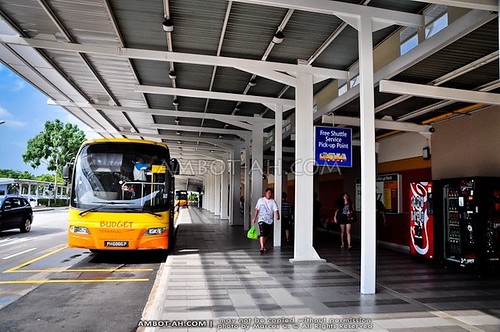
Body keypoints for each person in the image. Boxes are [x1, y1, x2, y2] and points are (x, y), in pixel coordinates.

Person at [253, 188, 280, 254]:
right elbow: (257, 209)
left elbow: (276, 210)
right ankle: (262, 247)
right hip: (261, 219)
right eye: (268, 193)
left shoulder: (273, 201)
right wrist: (255, 218)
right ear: (265, 193)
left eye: (271, 193)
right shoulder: (261, 200)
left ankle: (264, 245)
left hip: (269, 220)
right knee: (262, 233)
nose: (269, 194)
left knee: (266, 235)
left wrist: (277, 216)